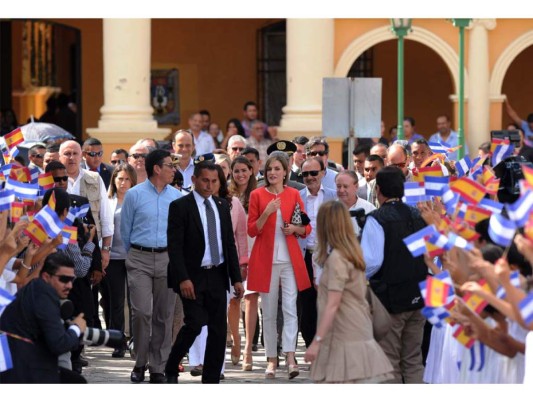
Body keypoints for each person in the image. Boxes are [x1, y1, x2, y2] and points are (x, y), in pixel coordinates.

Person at [165, 161, 243, 384]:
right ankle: (171, 365)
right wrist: (183, 278)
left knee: (219, 329)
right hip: (192, 276)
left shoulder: (221, 205)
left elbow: (229, 244)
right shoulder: (180, 207)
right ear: (194, 180)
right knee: (195, 322)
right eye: (205, 180)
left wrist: (236, 278)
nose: (209, 185)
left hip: (218, 274)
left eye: (214, 181)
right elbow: (175, 247)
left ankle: (211, 379)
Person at [303, 200, 393, 383]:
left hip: (345, 334)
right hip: (356, 329)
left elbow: (333, 304)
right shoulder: (352, 252)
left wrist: (317, 340)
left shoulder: (337, 259)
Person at [360, 166, 428, 383]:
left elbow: (371, 263)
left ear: (378, 189)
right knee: (413, 359)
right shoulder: (420, 215)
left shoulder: (376, 219)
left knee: (389, 361)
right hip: (419, 295)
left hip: (390, 300)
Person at [247, 152, 311, 379]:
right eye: (269, 169)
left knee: (291, 309)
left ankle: (291, 357)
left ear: (285, 171)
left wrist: (295, 229)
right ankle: (271, 360)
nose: (272, 173)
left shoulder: (294, 194)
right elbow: (252, 229)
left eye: (277, 169)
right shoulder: (256, 195)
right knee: (270, 311)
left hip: (290, 261)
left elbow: (306, 227)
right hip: (266, 261)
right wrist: (267, 212)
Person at [121, 149, 182, 383]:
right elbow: (125, 230)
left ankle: (158, 366)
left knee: (163, 315)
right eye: (170, 165)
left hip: (167, 259)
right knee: (142, 313)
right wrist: (134, 255)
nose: (173, 170)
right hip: (138, 258)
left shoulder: (176, 197)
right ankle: (139, 362)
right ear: (157, 168)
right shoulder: (134, 195)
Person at [0, 252, 87, 383]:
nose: (69, 285)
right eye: (64, 279)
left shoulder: (36, 289)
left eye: (71, 280)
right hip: (20, 369)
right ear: (46, 276)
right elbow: (59, 344)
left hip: (22, 362)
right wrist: (76, 328)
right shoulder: (44, 294)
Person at [297, 157, 337, 347]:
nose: (310, 177)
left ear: (323, 173)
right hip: (304, 256)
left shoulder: (334, 196)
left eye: (314, 173)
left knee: (329, 302)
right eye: (305, 174)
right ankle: (310, 344)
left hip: (328, 256)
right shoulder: (297, 197)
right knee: (306, 305)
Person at [105, 163, 137, 358]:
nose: (123, 183)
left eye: (127, 179)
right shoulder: (108, 200)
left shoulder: (137, 200)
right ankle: (118, 341)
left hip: (134, 256)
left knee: (136, 301)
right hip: (113, 256)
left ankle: (135, 340)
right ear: (114, 180)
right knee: (116, 300)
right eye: (120, 179)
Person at [336, 170, 376, 237]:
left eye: (345, 186)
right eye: (338, 186)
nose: (341, 190)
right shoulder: (329, 210)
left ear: (356, 186)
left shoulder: (369, 209)